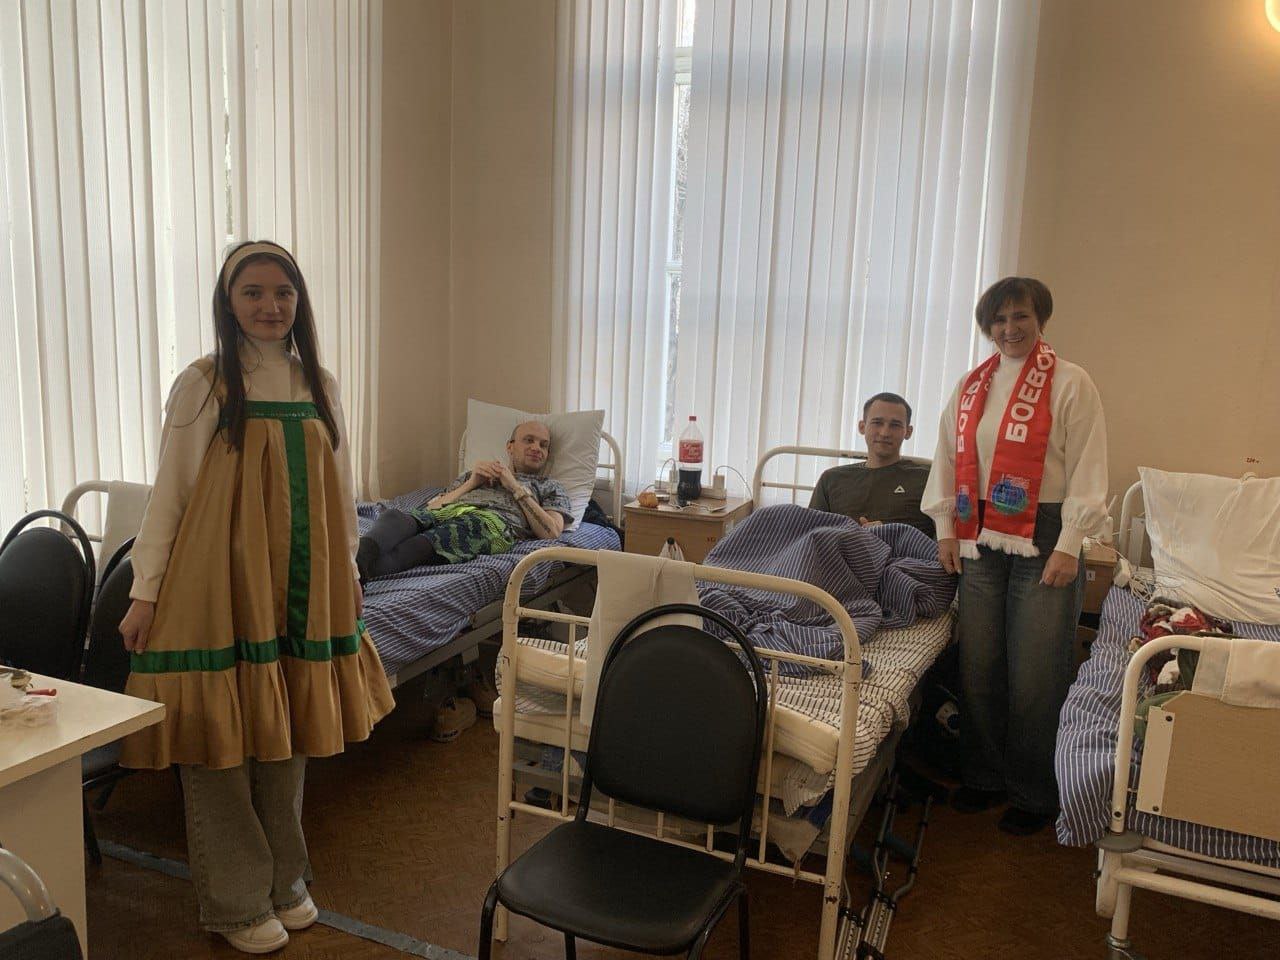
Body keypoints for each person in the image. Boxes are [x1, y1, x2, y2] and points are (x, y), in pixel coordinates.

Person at [117, 241, 395, 953]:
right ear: (228, 302)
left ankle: (285, 882)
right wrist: (146, 592)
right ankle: (236, 901)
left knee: (286, 729)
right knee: (219, 741)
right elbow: (171, 493)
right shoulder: (205, 383)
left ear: (299, 302)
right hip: (216, 580)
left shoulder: (319, 384)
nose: (271, 306)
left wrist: (349, 571)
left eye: (283, 293)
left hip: (303, 581)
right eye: (253, 292)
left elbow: (340, 491)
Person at [922, 276, 1108, 836]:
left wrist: (1070, 545)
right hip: (977, 529)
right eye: (999, 319)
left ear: (1040, 319)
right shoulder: (970, 385)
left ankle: (1032, 792)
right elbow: (947, 456)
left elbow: (1088, 466)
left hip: (1045, 532)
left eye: (1020, 316)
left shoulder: (1070, 382)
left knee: (1036, 672)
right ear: (988, 326)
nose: (1009, 328)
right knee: (979, 663)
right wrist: (946, 530)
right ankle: (983, 775)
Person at [355, 420, 573, 582]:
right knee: (394, 517)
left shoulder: (550, 486)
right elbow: (431, 508)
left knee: (436, 537)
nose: (536, 448)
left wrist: (514, 487)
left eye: (543, 445)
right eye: (529, 440)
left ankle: (354, 576)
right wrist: (472, 482)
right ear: (510, 446)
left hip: (490, 523)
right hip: (452, 510)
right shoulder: (473, 475)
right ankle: (358, 559)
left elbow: (551, 532)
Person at [809, 392, 935, 536]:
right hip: (840, 548)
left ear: (908, 432)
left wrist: (889, 533)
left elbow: (943, 535)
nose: (885, 432)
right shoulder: (831, 479)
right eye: (877, 423)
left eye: (895, 425)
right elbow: (809, 533)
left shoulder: (927, 478)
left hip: (903, 549)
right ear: (862, 427)